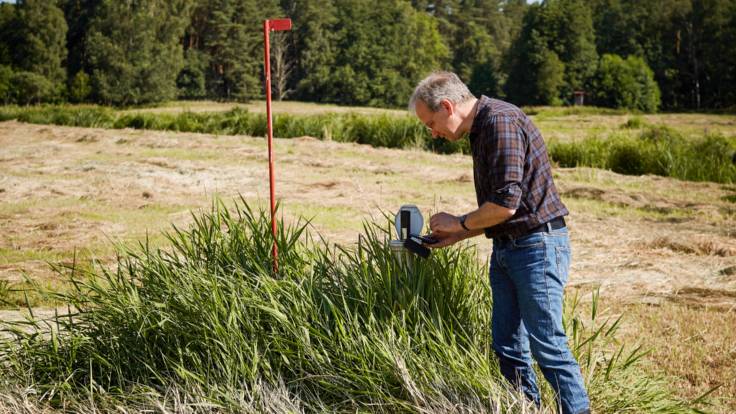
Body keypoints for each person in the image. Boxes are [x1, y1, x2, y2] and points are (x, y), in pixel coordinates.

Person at [408, 71, 591, 414]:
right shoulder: (480, 129)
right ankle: (526, 408)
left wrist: (459, 221)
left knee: (547, 346)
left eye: (431, 123)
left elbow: (505, 204)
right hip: (509, 247)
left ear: (447, 106)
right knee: (508, 346)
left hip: (536, 247)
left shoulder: (500, 122)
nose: (432, 133)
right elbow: (503, 211)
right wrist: (458, 235)